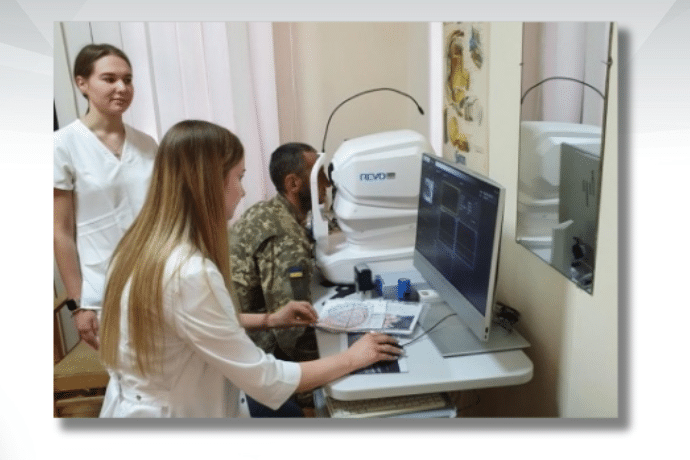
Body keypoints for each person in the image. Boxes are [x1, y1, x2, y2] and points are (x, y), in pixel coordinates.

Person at [97, 120, 401, 418]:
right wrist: (354, 357)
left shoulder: (137, 246)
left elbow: (186, 321)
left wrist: (270, 319)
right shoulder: (189, 274)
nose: (242, 192)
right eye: (239, 178)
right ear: (210, 183)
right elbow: (266, 380)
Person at [54, 43, 157, 350]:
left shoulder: (147, 144)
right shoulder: (62, 145)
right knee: (129, 373)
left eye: (128, 79)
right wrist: (79, 304)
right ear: (82, 83)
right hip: (103, 290)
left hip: (155, 281)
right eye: (109, 79)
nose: (121, 88)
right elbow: (60, 232)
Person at [229, 143, 328, 363]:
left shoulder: (267, 210)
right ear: (293, 184)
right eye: (319, 174)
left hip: (241, 329)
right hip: (258, 349)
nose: (327, 183)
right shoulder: (286, 238)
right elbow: (293, 334)